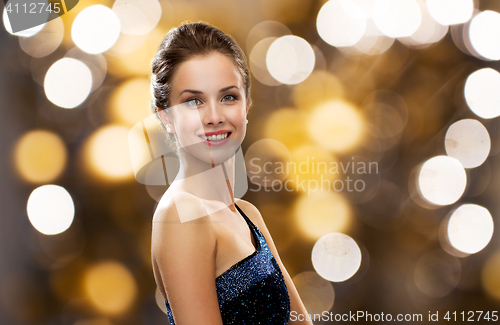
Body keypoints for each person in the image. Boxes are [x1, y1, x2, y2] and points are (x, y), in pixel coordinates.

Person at [149, 21, 312, 324]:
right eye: (193, 101)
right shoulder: (182, 215)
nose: (214, 116)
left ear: (247, 104)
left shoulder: (247, 213)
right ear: (166, 117)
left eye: (228, 97)